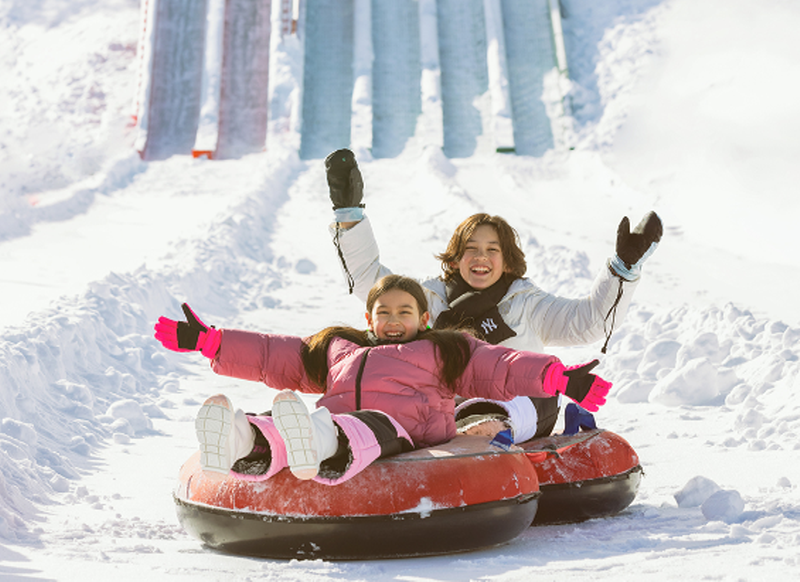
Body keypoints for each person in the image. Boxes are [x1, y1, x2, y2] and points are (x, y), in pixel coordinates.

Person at [324, 149, 662, 443]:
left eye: (491, 249)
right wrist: (349, 213)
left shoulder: (526, 303)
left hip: (521, 404)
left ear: (506, 259)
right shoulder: (429, 298)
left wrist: (624, 268)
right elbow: (369, 280)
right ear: (455, 259)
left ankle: (483, 431)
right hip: (444, 409)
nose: (480, 258)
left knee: (510, 402)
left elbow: (590, 324)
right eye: (470, 249)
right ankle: (334, 438)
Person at [153, 275, 612, 485]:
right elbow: (276, 354)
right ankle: (239, 440)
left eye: (404, 312)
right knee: (283, 417)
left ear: (424, 318)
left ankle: (313, 441)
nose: (394, 320)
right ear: (369, 317)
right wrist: (211, 342)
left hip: (403, 430)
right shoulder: (340, 347)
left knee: (358, 425)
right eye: (384, 312)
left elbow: (502, 365)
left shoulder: (444, 348)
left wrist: (556, 376)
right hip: (331, 420)